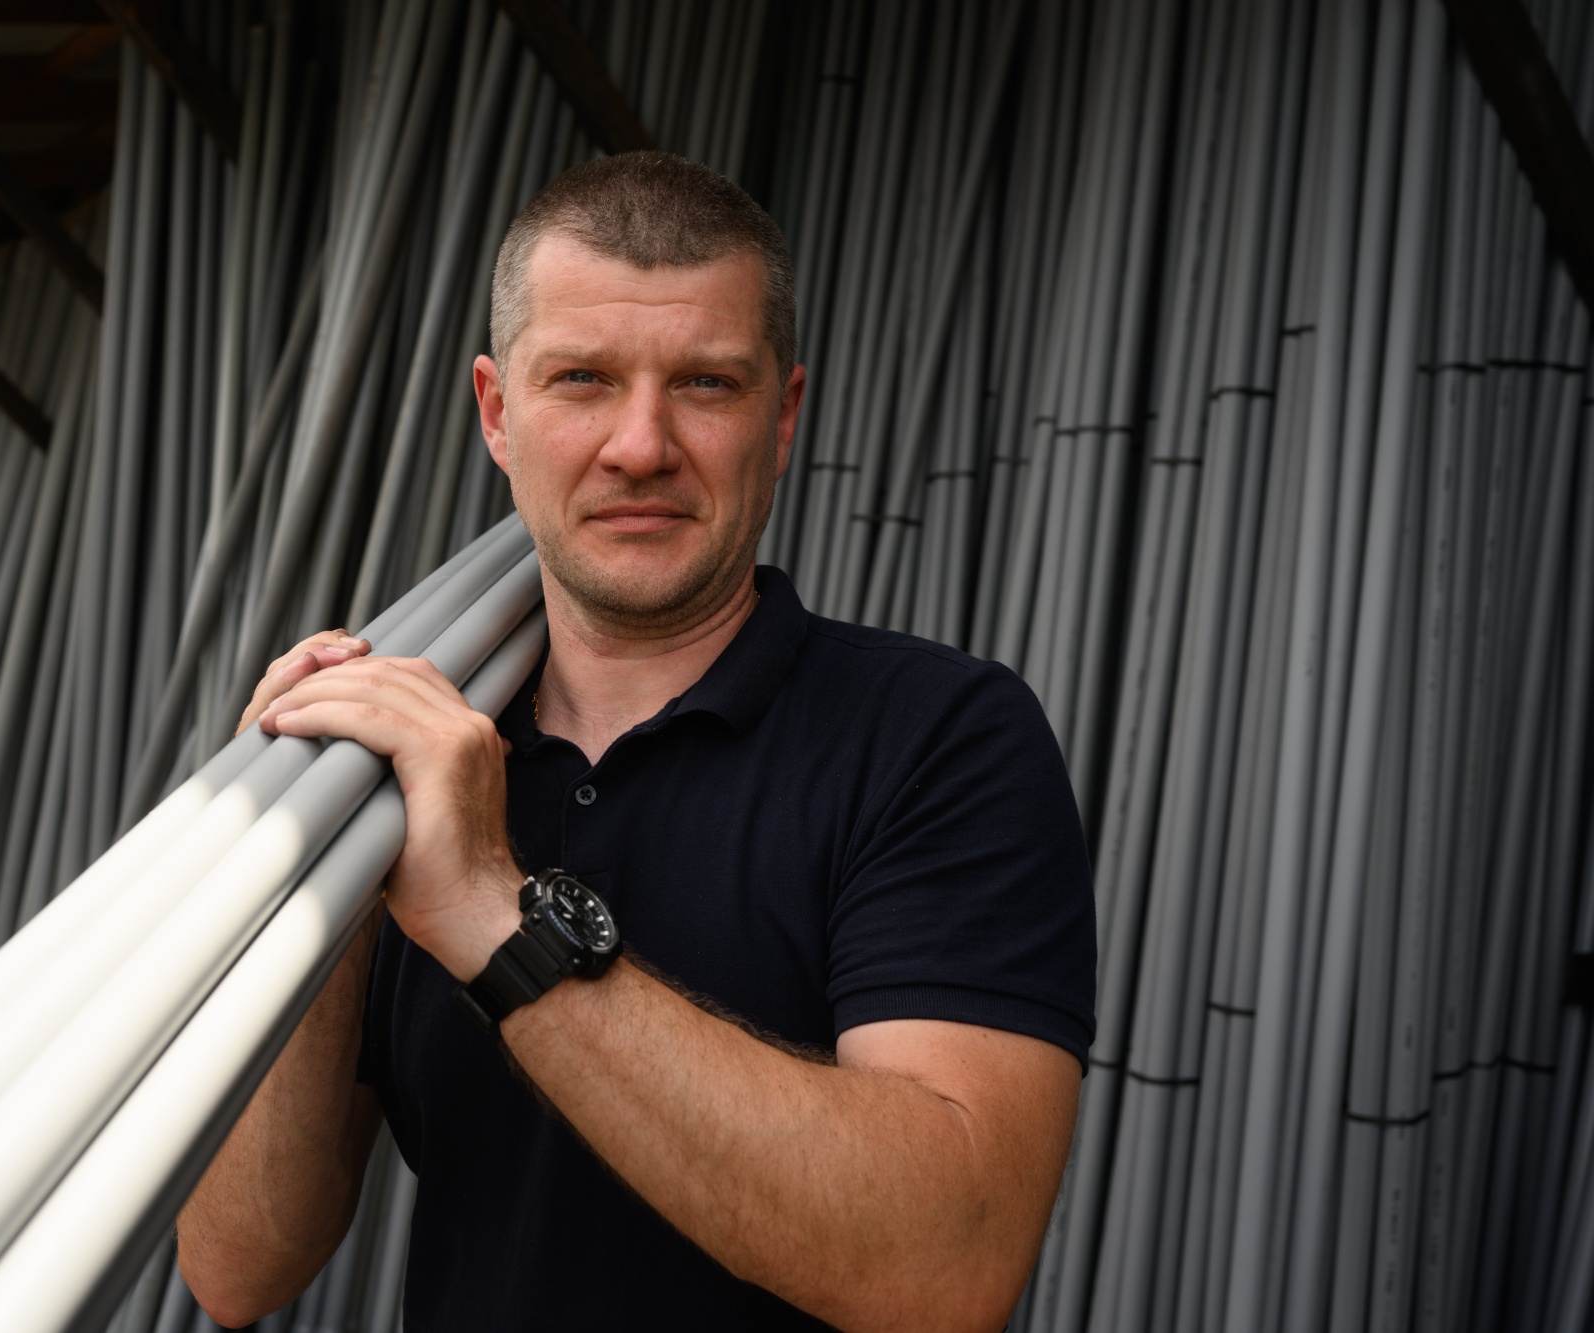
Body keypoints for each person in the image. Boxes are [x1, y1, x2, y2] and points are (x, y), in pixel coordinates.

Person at [177, 151, 1096, 1333]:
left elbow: (942, 1267)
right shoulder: (416, 752)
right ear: (497, 413)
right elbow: (240, 1265)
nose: (639, 444)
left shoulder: (939, 738)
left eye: (706, 384)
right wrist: (327, 872)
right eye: (582, 379)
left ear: (783, 415)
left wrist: (489, 914)